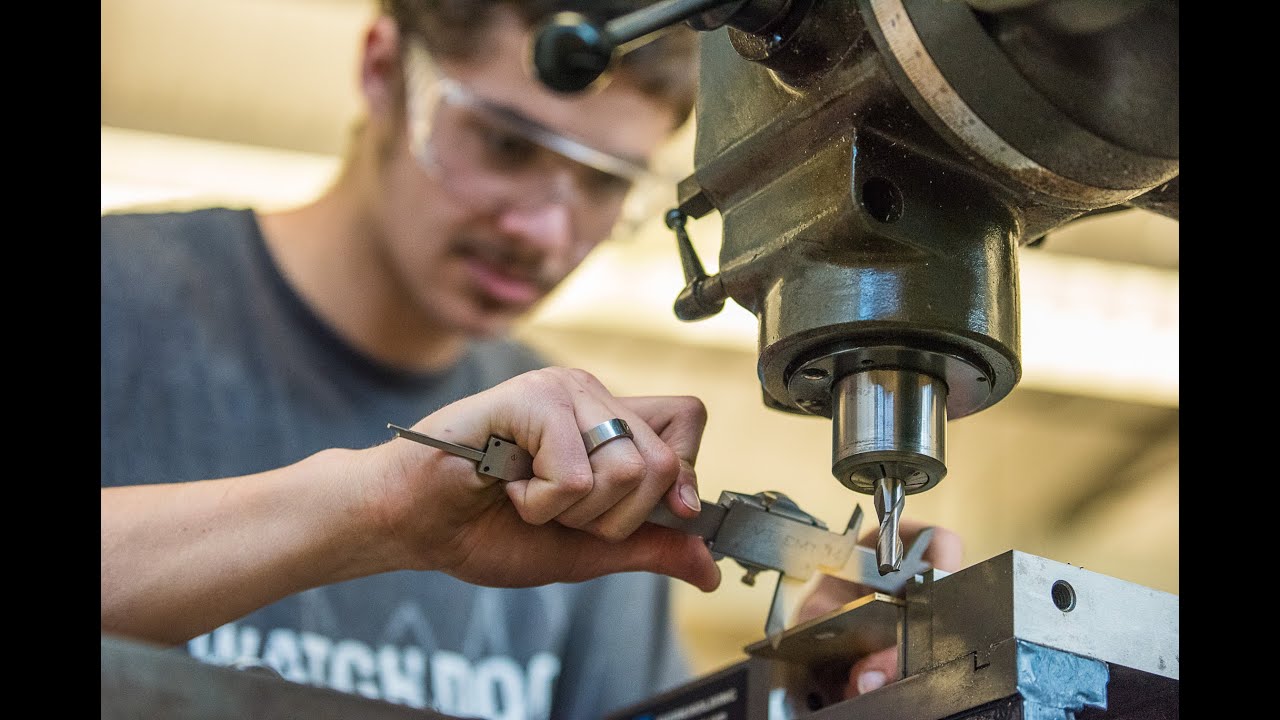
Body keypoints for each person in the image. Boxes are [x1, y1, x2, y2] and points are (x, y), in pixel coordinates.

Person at [100, 1, 962, 717]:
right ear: (381, 69)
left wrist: (797, 691)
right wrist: (379, 507)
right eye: (507, 145)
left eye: (602, 183)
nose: (544, 232)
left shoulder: (592, 469)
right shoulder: (122, 303)